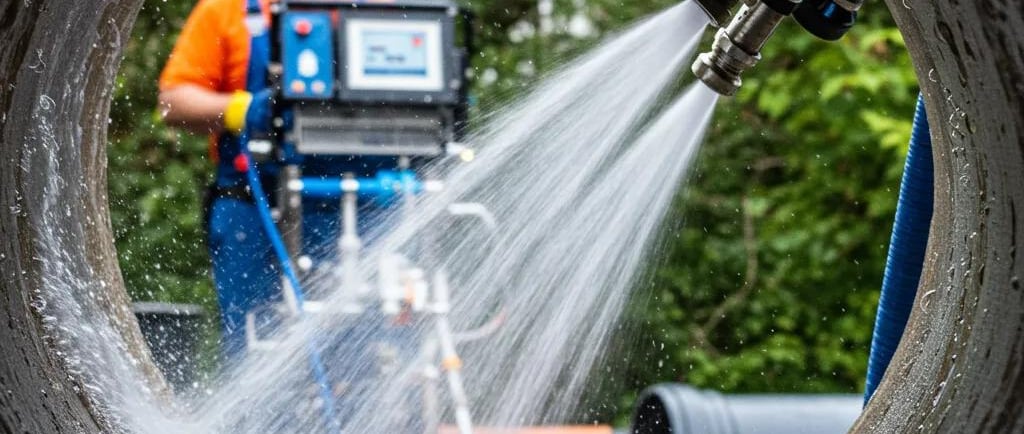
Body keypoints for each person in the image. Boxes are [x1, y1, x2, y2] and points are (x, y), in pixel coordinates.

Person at [159, 0, 390, 355]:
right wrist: (243, 110)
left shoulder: (385, 8)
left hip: (364, 210)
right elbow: (174, 102)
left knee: (367, 352)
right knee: (253, 350)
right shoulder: (229, 9)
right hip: (255, 212)